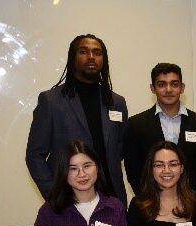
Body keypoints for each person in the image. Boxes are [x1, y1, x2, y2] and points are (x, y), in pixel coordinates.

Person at [26, 34, 129, 204]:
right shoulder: (51, 101)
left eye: (97, 52)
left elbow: (120, 150)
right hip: (69, 201)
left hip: (112, 199)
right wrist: (55, 196)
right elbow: (34, 155)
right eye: (83, 51)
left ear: (104, 59)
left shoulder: (117, 102)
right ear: (72, 58)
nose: (91, 57)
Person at [124, 63, 196, 201]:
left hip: (192, 205)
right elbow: (133, 170)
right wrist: (150, 200)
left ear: (182, 88)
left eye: (174, 84)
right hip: (150, 206)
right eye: (162, 84)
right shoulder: (136, 124)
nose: (168, 89)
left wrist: (188, 199)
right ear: (152, 88)